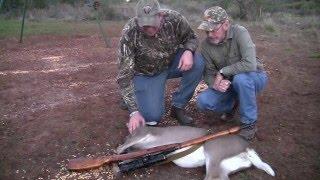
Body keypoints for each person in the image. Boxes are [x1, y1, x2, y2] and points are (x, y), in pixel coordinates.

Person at [117, 0, 204, 133]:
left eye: (152, 24)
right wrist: (134, 112)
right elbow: (124, 76)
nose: (149, 29)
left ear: (161, 16)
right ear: (137, 20)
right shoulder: (129, 32)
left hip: (171, 63)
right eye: (145, 26)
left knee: (198, 63)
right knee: (152, 118)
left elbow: (191, 37)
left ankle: (178, 106)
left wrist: (188, 51)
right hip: (147, 74)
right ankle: (134, 96)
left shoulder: (175, 19)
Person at [196, 6, 268, 140]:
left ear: (226, 24)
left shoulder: (240, 32)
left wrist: (223, 71)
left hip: (255, 76)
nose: (210, 34)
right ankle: (233, 105)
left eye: (213, 29)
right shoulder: (205, 45)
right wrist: (215, 85)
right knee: (202, 101)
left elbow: (250, 64)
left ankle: (249, 124)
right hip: (230, 83)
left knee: (241, 80)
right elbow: (209, 74)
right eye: (207, 30)